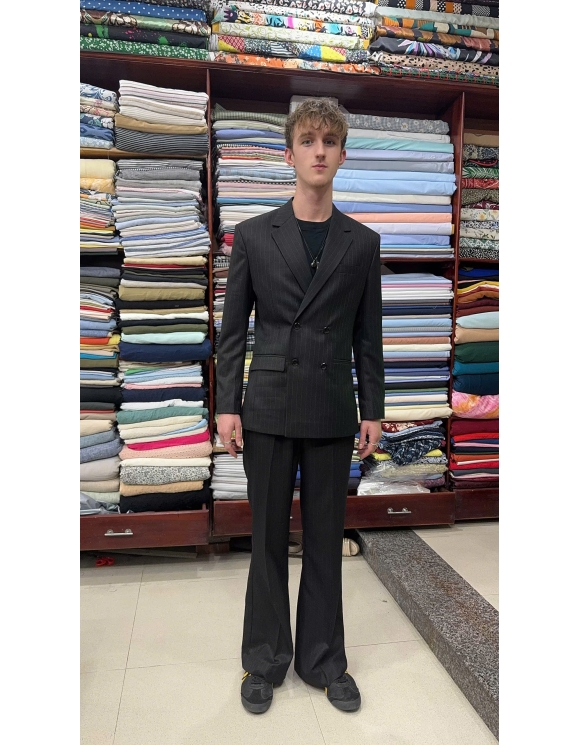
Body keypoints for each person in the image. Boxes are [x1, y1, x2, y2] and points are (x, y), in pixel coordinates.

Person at [216, 98, 384, 715]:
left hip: (332, 406)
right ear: (289, 155)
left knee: (324, 538)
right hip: (266, 405)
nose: (319, 151)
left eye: (329, 142)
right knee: (265, 540)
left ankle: (323, 661)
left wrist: (373, 409)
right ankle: (263, 659)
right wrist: (227, 405)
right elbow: (233, 331)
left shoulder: (362, 243)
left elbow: (369, 337)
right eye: (308, 141)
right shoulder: (254, 235)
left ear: (342, 155)